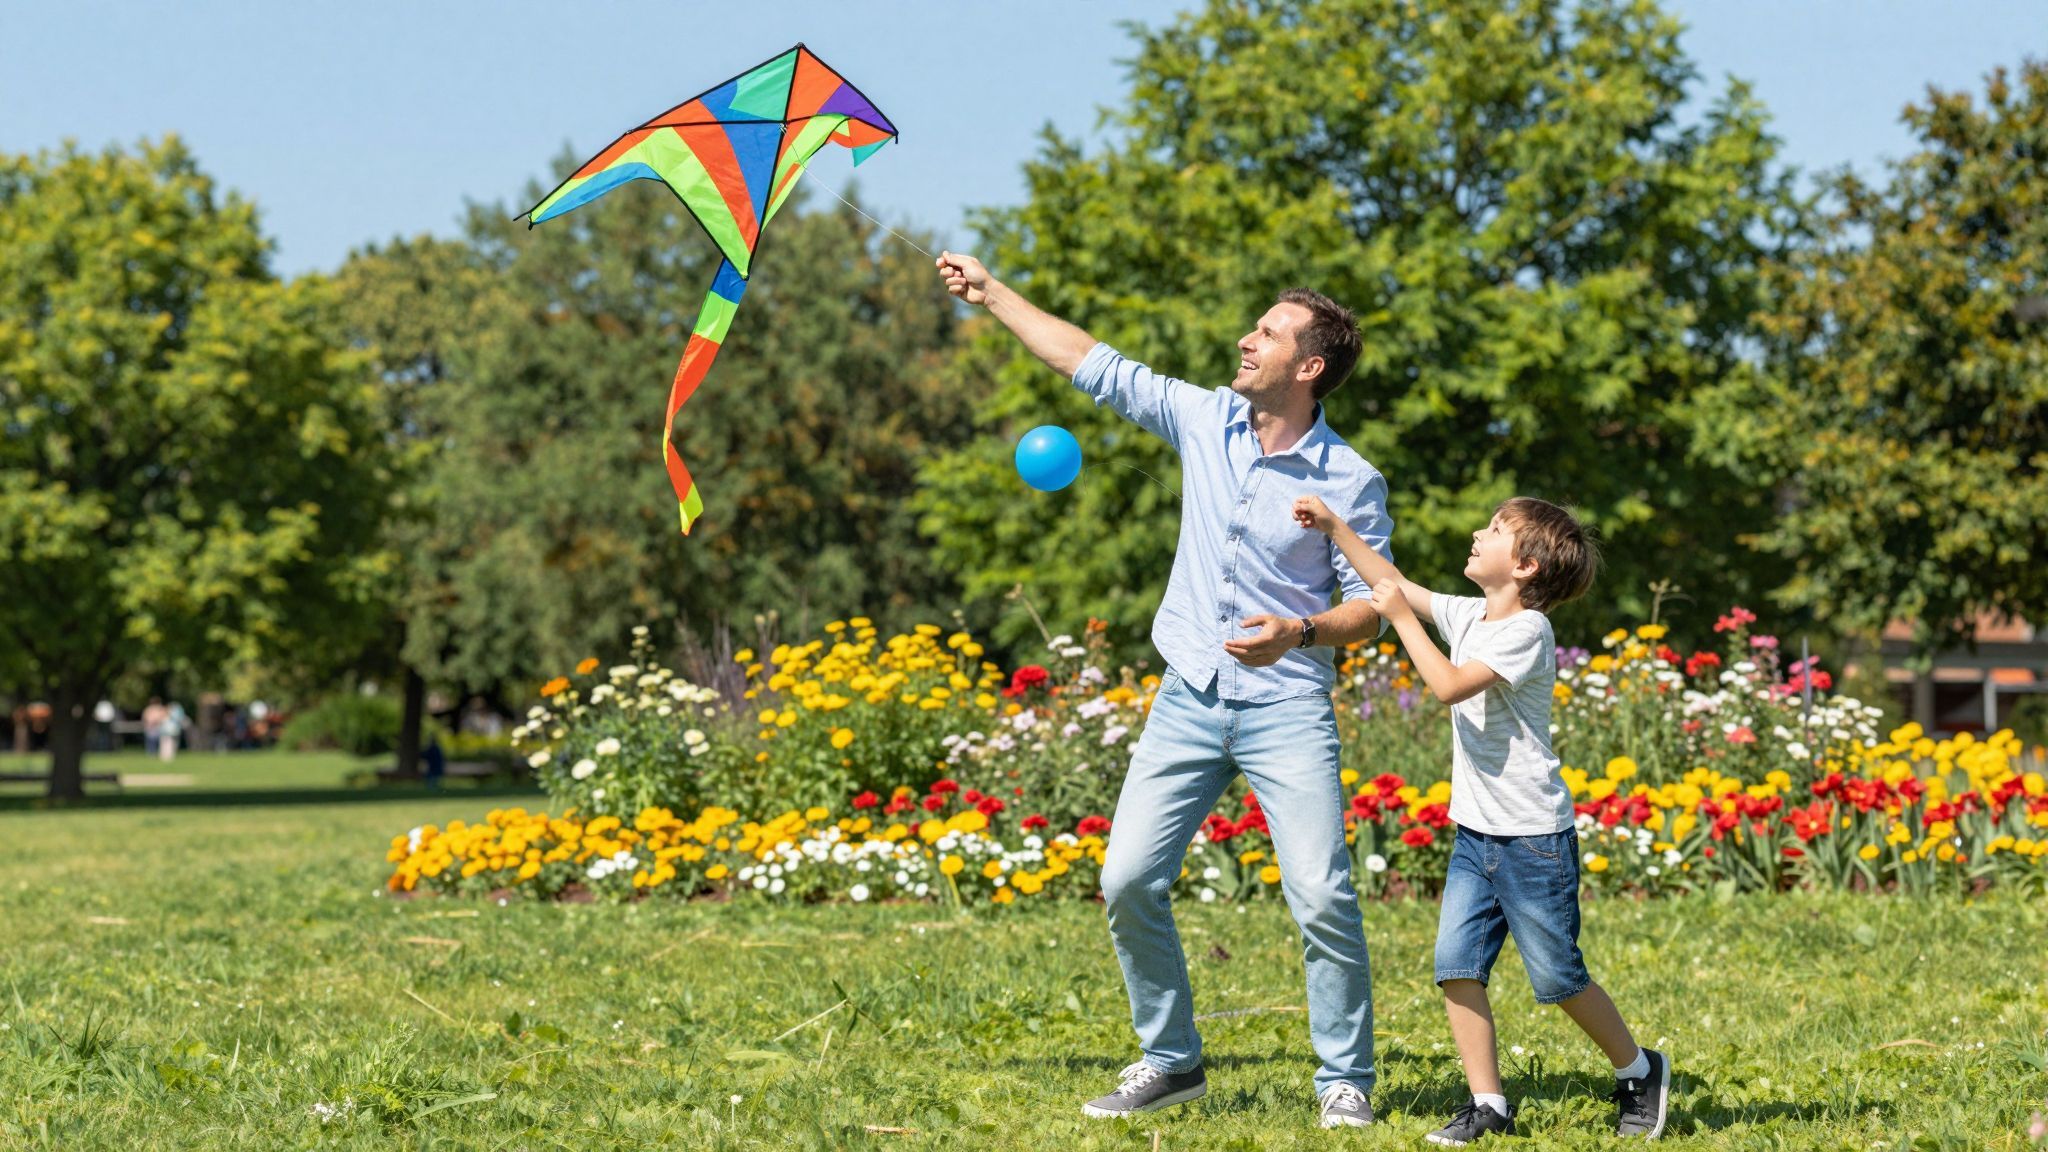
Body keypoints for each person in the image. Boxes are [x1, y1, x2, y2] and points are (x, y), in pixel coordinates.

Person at [938, 252, 1391, 1129]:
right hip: (1188, 694)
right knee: (1128, 879)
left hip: (1287, 703)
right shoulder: (1205, 417)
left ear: (1309, 368)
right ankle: (1173, 1060)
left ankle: (1345, 1076)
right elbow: (1089, 361)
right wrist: (990, 293)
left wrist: (1297, 633)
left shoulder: (1350, 479)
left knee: (1322, 892)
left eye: (1266, 333)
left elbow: (1375, 606)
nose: (1243, 340)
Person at [1292, 494, 1671, 1143]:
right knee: (1456, 966)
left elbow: (1446, 683)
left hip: (1532, 840)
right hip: (1476, 835)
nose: (1477, 532)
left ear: (1523, 565)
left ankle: (1639, 1070)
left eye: (1494, 530)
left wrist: (1401, 623)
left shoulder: (1527, 631)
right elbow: (1393, 586)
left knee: (1557, 977)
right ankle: (1488, 1104)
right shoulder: (1471, 614)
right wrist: (1334, 528)